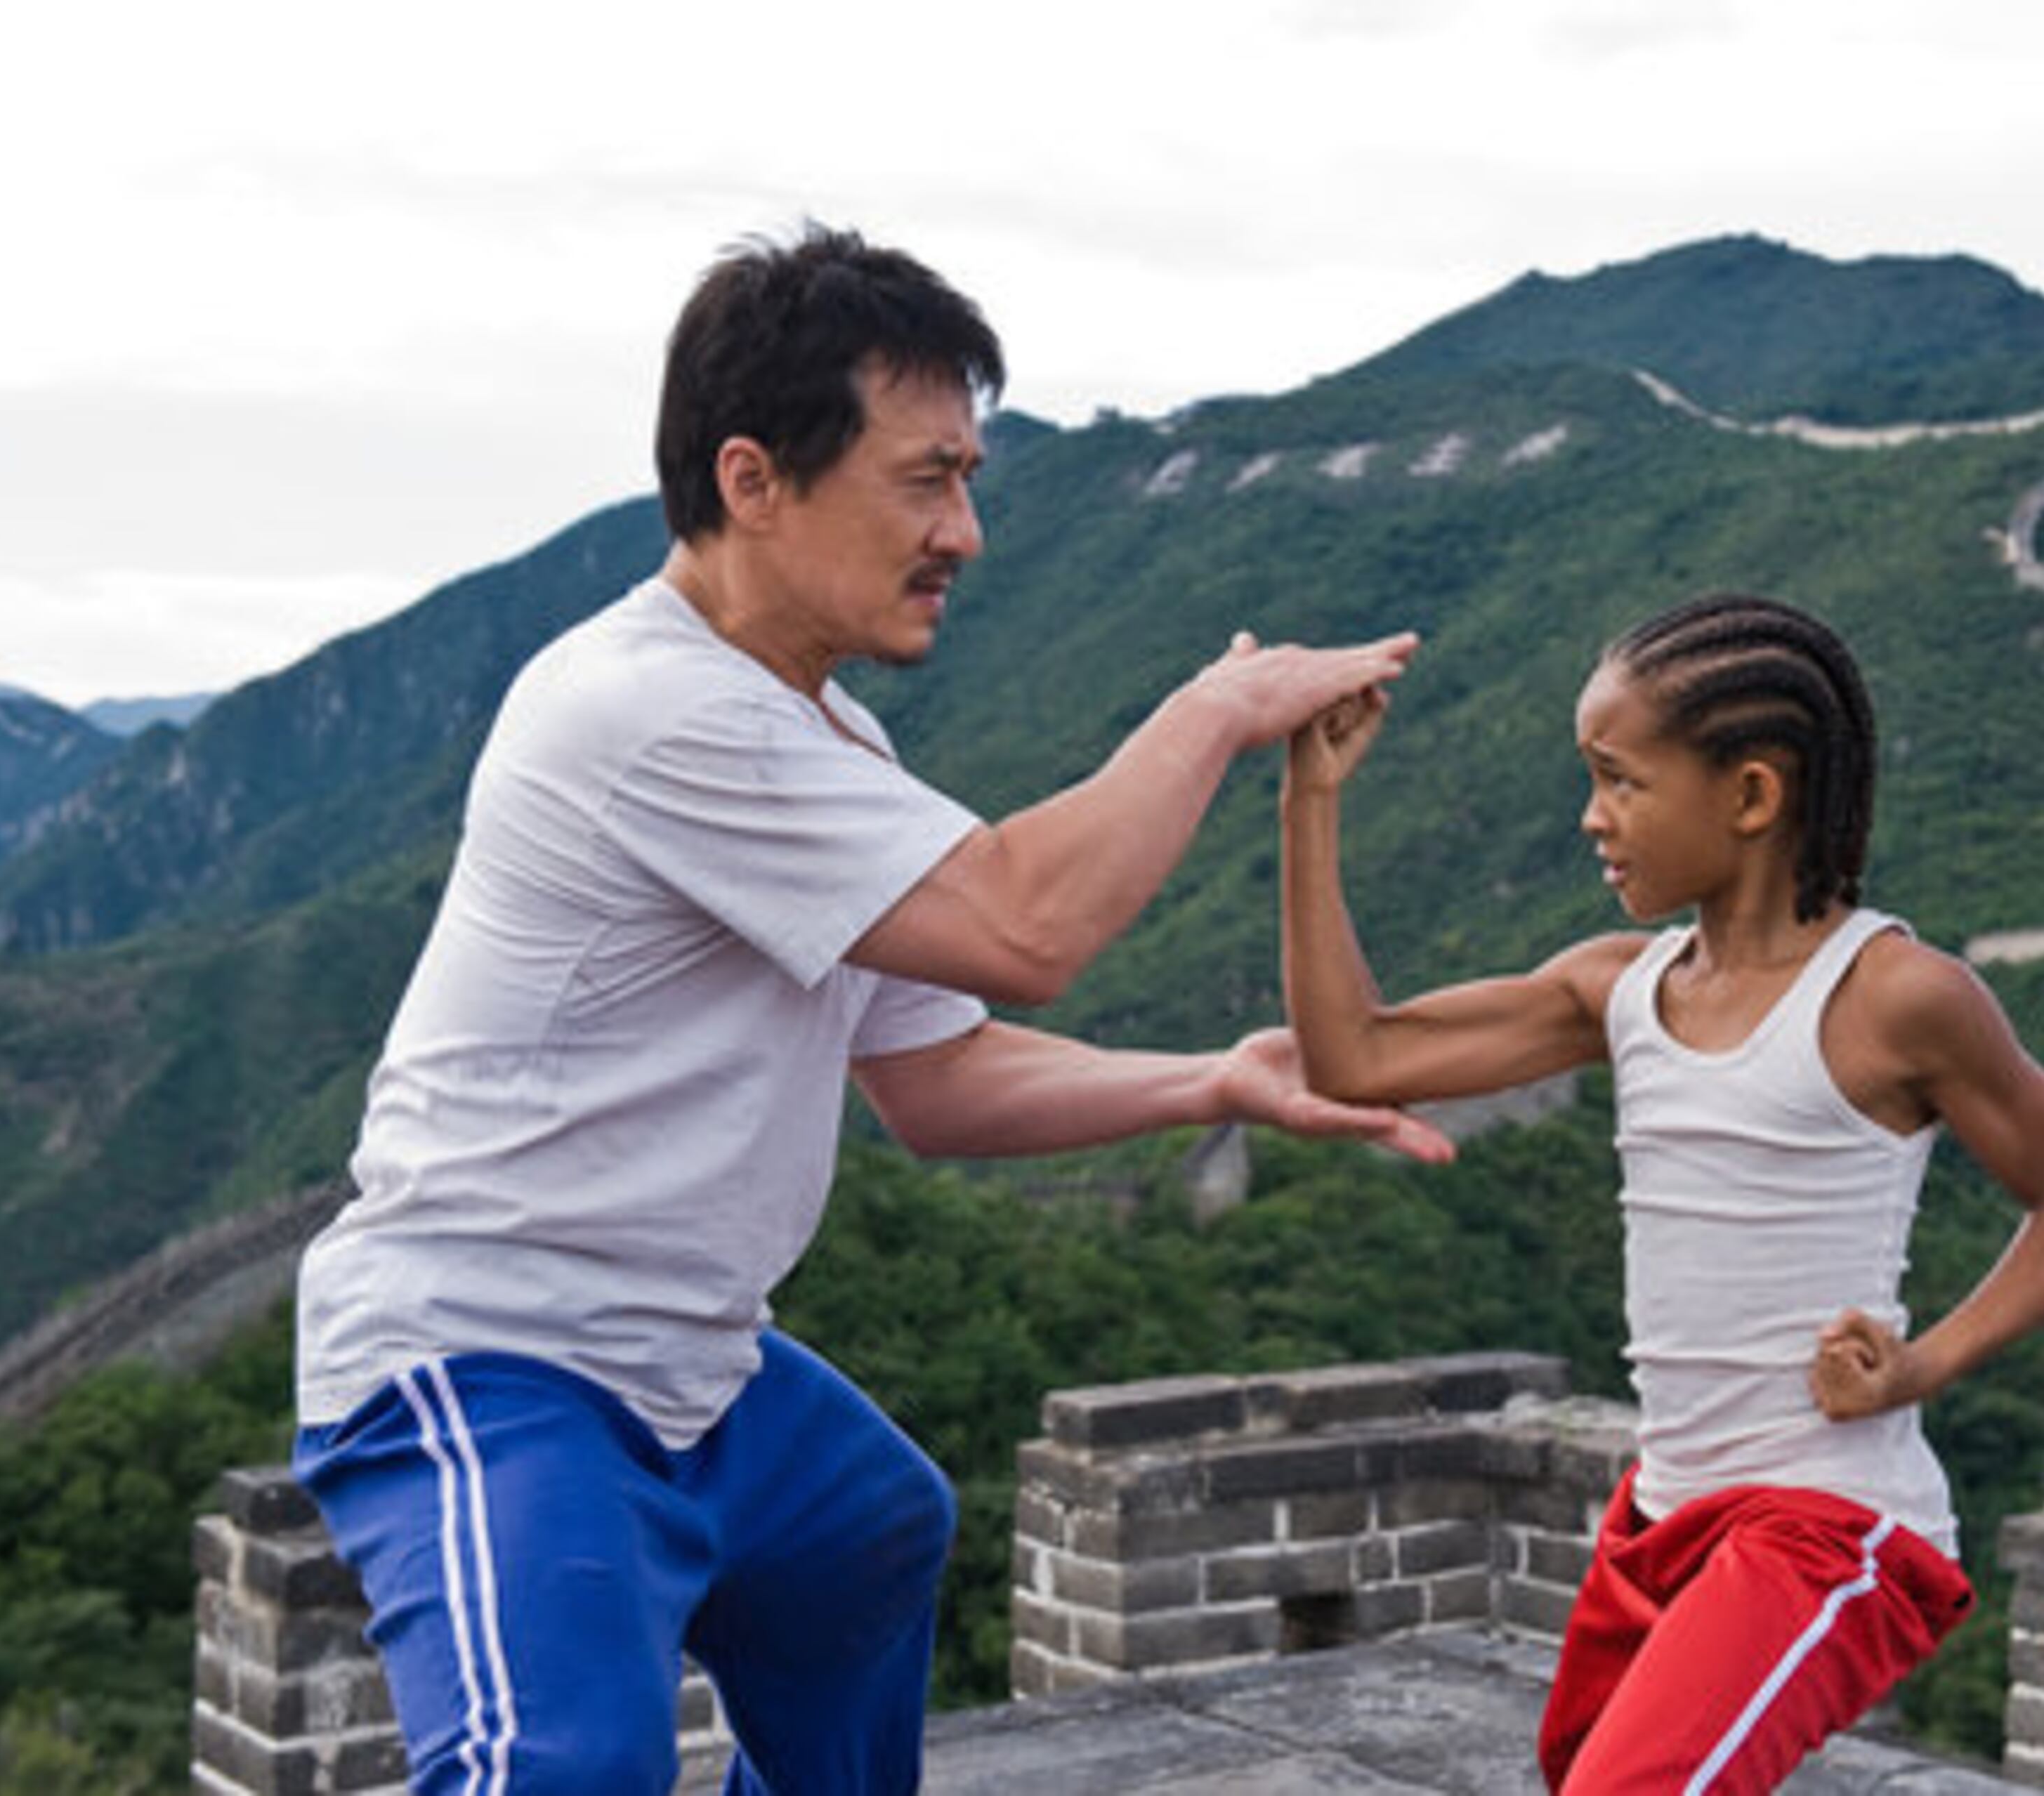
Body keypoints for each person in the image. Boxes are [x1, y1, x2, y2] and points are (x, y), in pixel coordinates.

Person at [288, 222, 1446, 1796]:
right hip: (490, 1356)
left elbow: (940, 1076)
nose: (964, 529)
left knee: (872, 1529)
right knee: (555, 1768)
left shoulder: (826, 747)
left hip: (694, 1365)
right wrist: (1218, 707)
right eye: (925, 477)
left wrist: (1215, 1082)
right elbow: (1024, 925)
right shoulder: (646, 707)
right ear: (753, 479)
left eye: (968, 478)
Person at [1280, 592, 2044, 1795]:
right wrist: (1309, 800)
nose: (1591, 817)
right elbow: (1353, 1058)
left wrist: (1921, 1365)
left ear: (1750, 796)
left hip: (1830, 1522)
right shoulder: (1617, 990)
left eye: (1620, 780)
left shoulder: (1896, 998)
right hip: (1663, 1514)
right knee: (1585, 1768)